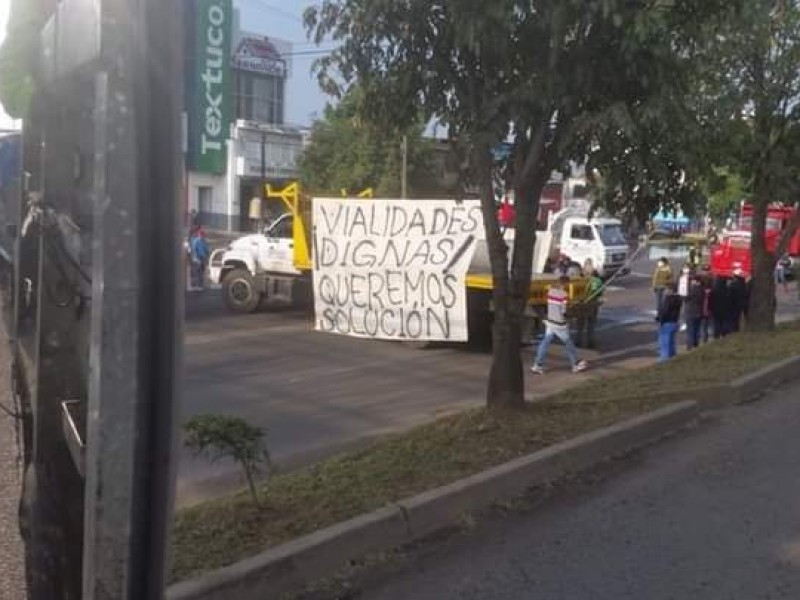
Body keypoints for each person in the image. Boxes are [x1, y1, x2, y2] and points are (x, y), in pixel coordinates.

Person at [531, 275, 588, 374]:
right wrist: (571, 309)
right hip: (559, 323)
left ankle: (537, 364)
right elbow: (564, 311)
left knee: (545, 342)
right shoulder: (564, 295)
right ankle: (575, 364)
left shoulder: (550, 292)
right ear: (565, 283)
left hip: (550, 321)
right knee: (568, 342)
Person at [575, 269, 604, 349]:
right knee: (591, 324)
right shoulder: (596, 281)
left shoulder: (580, 280)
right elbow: (597, 292)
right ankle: (590, 342)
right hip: (591, 303)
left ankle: (578, 341)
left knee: (580, 325)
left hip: (580, 303)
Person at [657, 287, 682, 362]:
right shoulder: (678, 299)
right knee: (671, 341)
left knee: (665, 342)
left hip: (667, 322)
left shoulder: (668, 299)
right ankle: (672, 355)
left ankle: (665, 358)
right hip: (674, 321)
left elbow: (665, 311)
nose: (665, 291)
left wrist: (659, 319)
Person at [683, 275, 704, 350]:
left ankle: (690, 347)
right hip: (699, 312)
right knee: (697, 330)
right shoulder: (702, 289)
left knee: (690, 331)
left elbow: (685, 298)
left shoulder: (693, 290)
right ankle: (696, 345)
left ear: (696, 281)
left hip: (691, 312)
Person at [727, 268, 748, 333]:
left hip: (734, 305)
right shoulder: (744, 284)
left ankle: (735, 330)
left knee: (734, 320)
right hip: (742, 304)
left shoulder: (733, 285)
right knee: (740, 319)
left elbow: (730, 296)